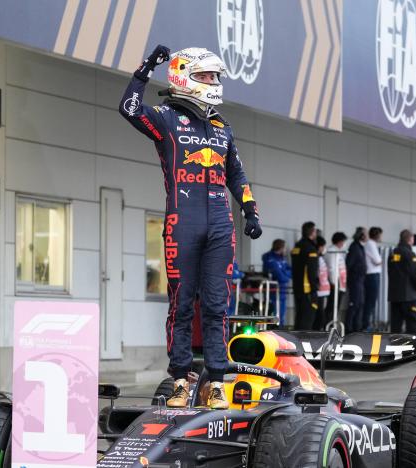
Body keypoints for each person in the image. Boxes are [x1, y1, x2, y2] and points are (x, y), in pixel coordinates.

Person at [120, 45, 262, 409]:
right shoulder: (166, 118)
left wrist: (250, 210)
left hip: (220, 226)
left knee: (217, 306)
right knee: (181, 306)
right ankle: (180, 381)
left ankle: (216, 383)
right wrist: (146, 67)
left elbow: (237, 174)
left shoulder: (221, 126)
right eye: (206, 76)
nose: (214, 82)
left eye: (215, 76)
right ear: (183, 77)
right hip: (182, 222)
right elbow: (129, 108)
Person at [388, 230, 416, 334]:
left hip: (394, 295)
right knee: (411, 322)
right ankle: (412, 345)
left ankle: (394, 345)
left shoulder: (392, 253)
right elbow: (414, 274)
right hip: (409, 295)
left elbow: (390, 272)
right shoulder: (410, 254)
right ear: (410, 239)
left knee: (395, 323)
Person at [292, 222, 319, 331]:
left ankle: (295, 342)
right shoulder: (311, 249)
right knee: (307, 318)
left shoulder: (297, 247)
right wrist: (314, 288)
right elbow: (311, 271)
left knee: (299, 316)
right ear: (312, 232)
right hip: (307, 289)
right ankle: (304, 342)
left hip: (297, 287)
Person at [262, 239, 291, 326]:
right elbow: (280, 276)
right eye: (285, 248)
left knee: (281, 314)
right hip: (273, 291)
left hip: (282, 290)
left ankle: (280, 331)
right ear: (281, 248)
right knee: (274, 313)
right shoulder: (269, 257)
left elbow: (290, 271)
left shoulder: (282, 258)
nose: (285, 250)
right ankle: (273, 331)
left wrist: (284, 273)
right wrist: (285, 274)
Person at [325, 232, 348, 328]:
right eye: (343, 241)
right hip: (335, 283)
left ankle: (332, 325)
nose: (343, 244)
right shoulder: (331, 251)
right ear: (339, 241)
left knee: (336, 306)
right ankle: (328, 326)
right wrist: (334, 282)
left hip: (340, 283)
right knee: (332, 306)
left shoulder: (339, 251)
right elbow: (332, 268)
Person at [346, 227, 367, 332]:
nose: (367, 236)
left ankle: (357, 328)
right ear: (362, 235)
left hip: (360, 280)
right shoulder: (354, 247)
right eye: (366, 234)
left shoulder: (360, 247)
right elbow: (349, 264)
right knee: (354, 304)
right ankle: (349, 329)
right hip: (355, 280)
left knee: (360, 304)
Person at [363, 227, 384, 332]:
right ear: (377, 235)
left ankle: (367, 324)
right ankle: (366, 325)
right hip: (372, 275)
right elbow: (378, 260)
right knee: (370, 301)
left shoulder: (370, 244)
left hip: (372, 275)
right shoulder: (370, 244)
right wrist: (381, 261)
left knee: (370, 301)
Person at [314, 236, 331, 330]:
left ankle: (320, 330)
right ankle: (318, 332)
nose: (324, 249)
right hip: (318, 291)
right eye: (323, 246)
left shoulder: (320, 258)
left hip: (324, 290)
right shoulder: (315, 258)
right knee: (319, 314)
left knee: (321, 313)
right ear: (320, 247)